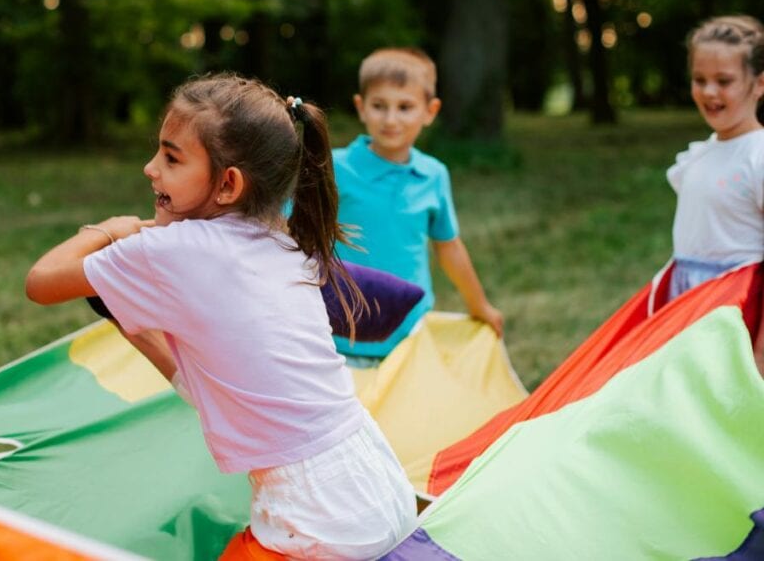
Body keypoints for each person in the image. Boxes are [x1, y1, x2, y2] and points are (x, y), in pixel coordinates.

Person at [25, 74, 418, 559]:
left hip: (317, 519)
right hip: (379, 486)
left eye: (171, 158)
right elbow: (210, 383)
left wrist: (109, 230)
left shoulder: (177, 251)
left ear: (229, 184)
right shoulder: (284, 242)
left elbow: (41, 282)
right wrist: (130, 325)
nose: (151, 169)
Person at [331, 47, 503, 363]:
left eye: (405, 107)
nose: (390, 119)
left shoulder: (433, 175)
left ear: (430, 111)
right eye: (379, 106)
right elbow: (293, 235)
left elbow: (448, 247)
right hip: (338, 336)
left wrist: (479, 306)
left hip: (409, 333)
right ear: (361, 107)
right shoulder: (334, 168)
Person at [666, 15, 764, 373]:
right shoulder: (700, 155)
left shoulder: (759, 156)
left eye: (724, 81)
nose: (709, 92)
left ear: (759, 84)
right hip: (688, 304)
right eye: (699, 80)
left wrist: (761, 352)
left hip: (736, 313)